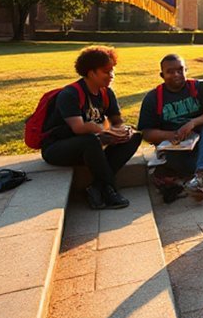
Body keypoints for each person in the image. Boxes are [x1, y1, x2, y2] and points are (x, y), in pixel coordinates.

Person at [41, 45, 142, 210]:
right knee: (90, 140)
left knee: (135, 136)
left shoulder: (106, 93)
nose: (111, 75)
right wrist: (105, 131)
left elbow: (117, 121)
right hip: (58, 148)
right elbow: (79, 128)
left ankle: (96, 187)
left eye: (112, 70)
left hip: (91, 146)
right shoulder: (70, 94)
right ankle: (109, 189)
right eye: (106, 71)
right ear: (90, 72)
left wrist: (123, 130)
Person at [137, 54, 203, 201]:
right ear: (162, 75)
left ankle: (198, 175)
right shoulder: (153, 98)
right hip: (180, 154)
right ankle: (202, 174)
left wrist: (193, 123)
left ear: (186, 70)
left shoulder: (199, 87)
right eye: (170, 72)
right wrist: (171, 135)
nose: (176, 74)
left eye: (180, 70)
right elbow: (146, 133)